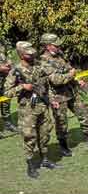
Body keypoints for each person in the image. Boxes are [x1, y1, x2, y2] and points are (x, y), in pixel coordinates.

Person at [3, 42, 56, 178]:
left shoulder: (38, 66)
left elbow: (47, 85)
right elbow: (7, 93)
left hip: (42, 106)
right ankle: (30, 165)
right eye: (28, 53)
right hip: (27, 111)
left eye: (32, 53)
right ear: (21, 55)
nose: (32, 55)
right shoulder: (15, 71)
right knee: (29, 137)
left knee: (45, 134)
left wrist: (52, 99)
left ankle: (44, 159)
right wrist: (22, 87)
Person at [39, 33, 88, 156]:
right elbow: (56, 80)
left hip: (71, 91)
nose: (58, 47)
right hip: (57, 96)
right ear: (48, 46)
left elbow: (68, 69)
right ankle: (63, 145)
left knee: (84, 112)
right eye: (56, 45)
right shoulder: (43, 62)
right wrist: (71, 75)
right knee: (61, 122)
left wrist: (76, 80)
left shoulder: (60, 55)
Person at [0, 51, 18, 133]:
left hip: (3, 84)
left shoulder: (1, 54)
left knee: (5, 103)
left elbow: (10, 63)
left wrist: (9, 66)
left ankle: (8, 124)